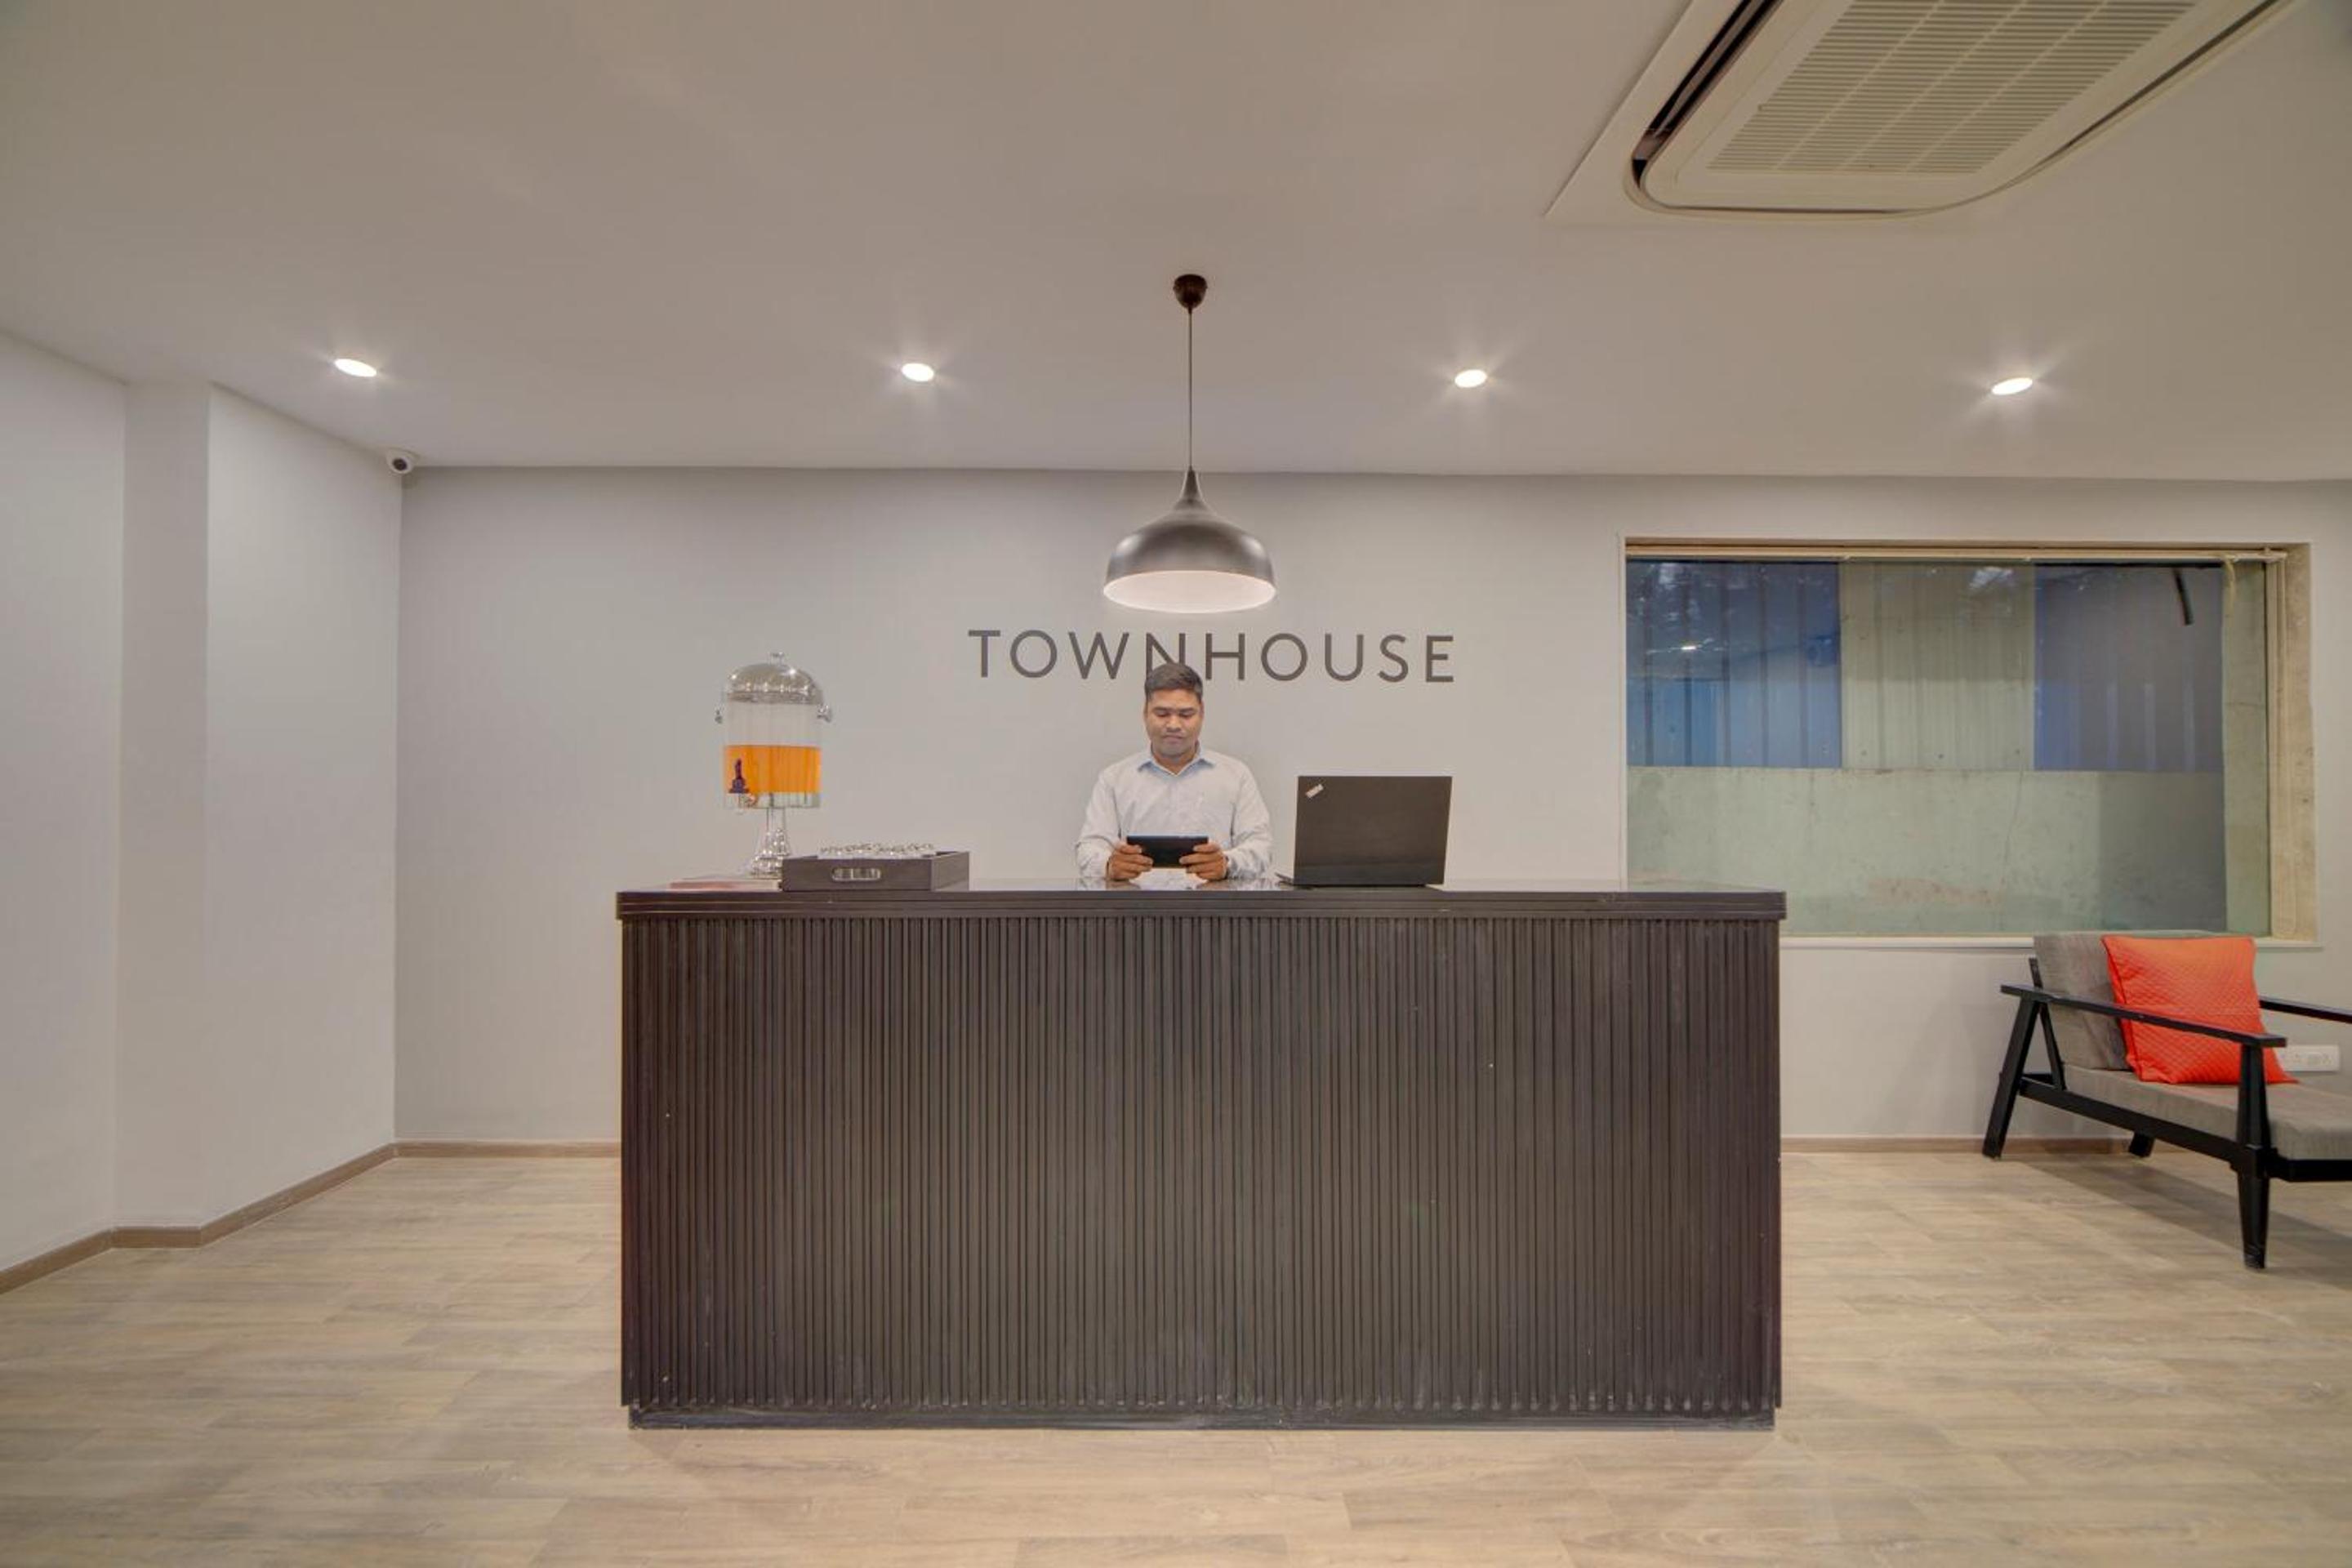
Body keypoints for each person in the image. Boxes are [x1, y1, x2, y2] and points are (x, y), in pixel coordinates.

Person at [1076, 662, 1272, 883]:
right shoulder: (1114, 779)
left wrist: (1227, 863)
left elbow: (1260, 846)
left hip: (1213, 904)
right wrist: (1109, 865)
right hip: (1137, 904)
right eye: (1162, 713)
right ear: (1145, 713)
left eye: (1186, 714)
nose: (1173, 724)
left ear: (1202, 713)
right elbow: (1089, 848)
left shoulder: (1236, 776)